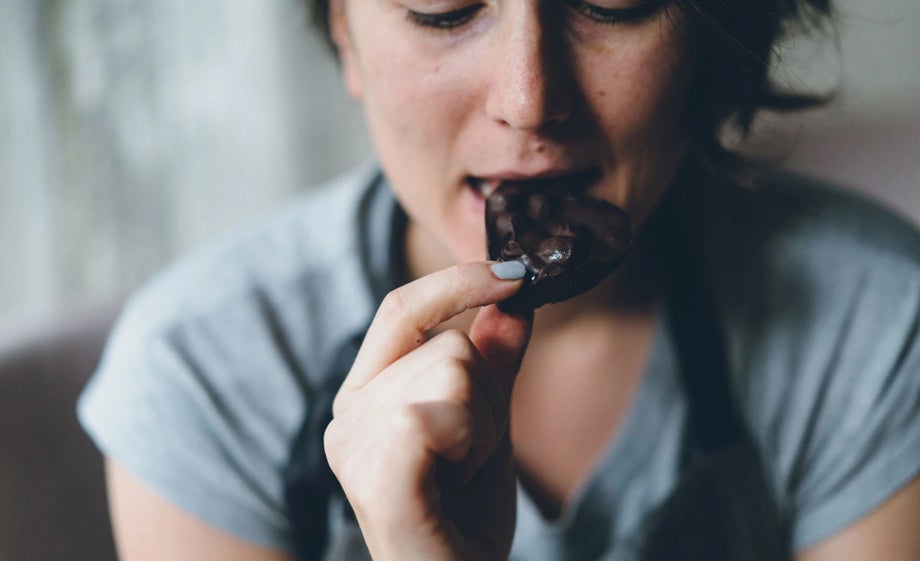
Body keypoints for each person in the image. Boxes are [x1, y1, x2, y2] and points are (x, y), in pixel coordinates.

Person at [77, 0, 920, 559]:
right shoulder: (201, 376)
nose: (529, 97)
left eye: (615, 2)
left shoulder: (876, 328)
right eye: (443, 7)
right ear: (343, 30)